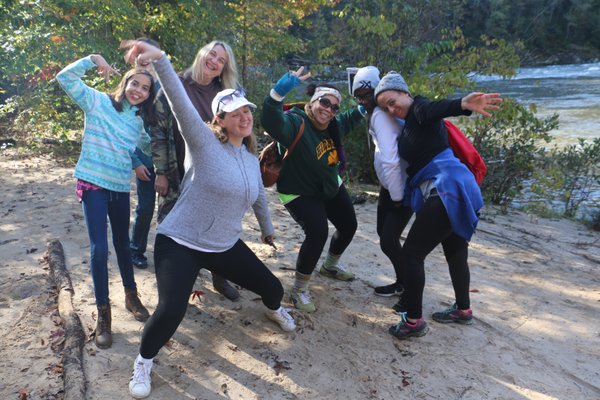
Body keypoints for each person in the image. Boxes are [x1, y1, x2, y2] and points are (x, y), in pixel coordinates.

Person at [121, 40, 296, 399]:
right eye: (236, 113)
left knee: (274, 290)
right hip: (180, 241)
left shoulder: (249, 158)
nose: (245, 117)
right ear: (220, 119)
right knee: (171, 311)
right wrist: (162, 62)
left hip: (223, 245)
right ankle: (143, 360)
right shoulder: (203, 144)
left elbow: (260, 195)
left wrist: (267, 229)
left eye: (247, 111)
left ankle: (274, 310)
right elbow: (180, 104)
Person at [374, 71, 502, 339]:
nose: (391, 108)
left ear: (405, 93)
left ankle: (413, 322)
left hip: (446, 187)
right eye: (385, 106)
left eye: (393, 100)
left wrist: (462, 104)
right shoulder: (409, 121)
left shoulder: (419, 108)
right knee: (455, 249)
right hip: (457, 184)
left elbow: (435, 109)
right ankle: (463, 310)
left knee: (411, 255)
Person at [56, 54, 154, 349]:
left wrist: (137, 161)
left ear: (149, 95)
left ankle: (131, 295)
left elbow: (139, 144)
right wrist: (91, 59)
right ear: (124, 83)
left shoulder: (139, 122)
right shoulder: (97, 102)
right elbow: (65, 78)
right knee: (100, 249)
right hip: (93, 184)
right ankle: (103, 314)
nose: (137, 90)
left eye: (145, 88)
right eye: (133, 83)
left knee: (123, 244)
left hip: (119, 187)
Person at [261, 67, 365, 313]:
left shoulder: (332, 124)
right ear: (312, 101)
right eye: (324, 102)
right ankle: (298, 290)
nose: (328, 109)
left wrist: (366, 105)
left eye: (333, 106)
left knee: (349, 225)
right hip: (298, 191)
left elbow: (349, 118)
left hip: (329, 186)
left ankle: (329, 266)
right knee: (317, 232)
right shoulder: (295, 123)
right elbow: (271, 119)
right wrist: (277, 93)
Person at [151, 40, 240, 300]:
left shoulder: (226, 93)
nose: (214, 61)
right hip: (176, 171)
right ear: (201, 54)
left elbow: (236, 132)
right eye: (211, 54)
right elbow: (156, 131)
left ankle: (220, 278)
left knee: (216, 226)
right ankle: (172, 287)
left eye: (221, 60)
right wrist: (161, 171)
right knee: (169, 228)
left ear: (224, 68)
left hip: (211, 177)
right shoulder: (173, 84)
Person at [351, 66, 413, 313]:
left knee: (388, 240)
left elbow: (391, 158)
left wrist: (397, 196)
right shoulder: (380, 111)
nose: (363, 100)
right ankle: (402, 282)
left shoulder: (379, 115)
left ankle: (409, 288)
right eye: (359, 96)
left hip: (400, 186)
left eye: (367, 94)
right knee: (383, 233)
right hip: (390, 185)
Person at [128, 38, 160, 269]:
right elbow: (122, 138)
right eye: (140, 55)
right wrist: (136, 163)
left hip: (169, 162)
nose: (144, 60)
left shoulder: (163, 88)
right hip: (145, 164)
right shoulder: (131, 91)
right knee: (146, 207)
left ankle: (172, 255)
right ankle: (135, 249)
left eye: (149, 55)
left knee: (172, 210)